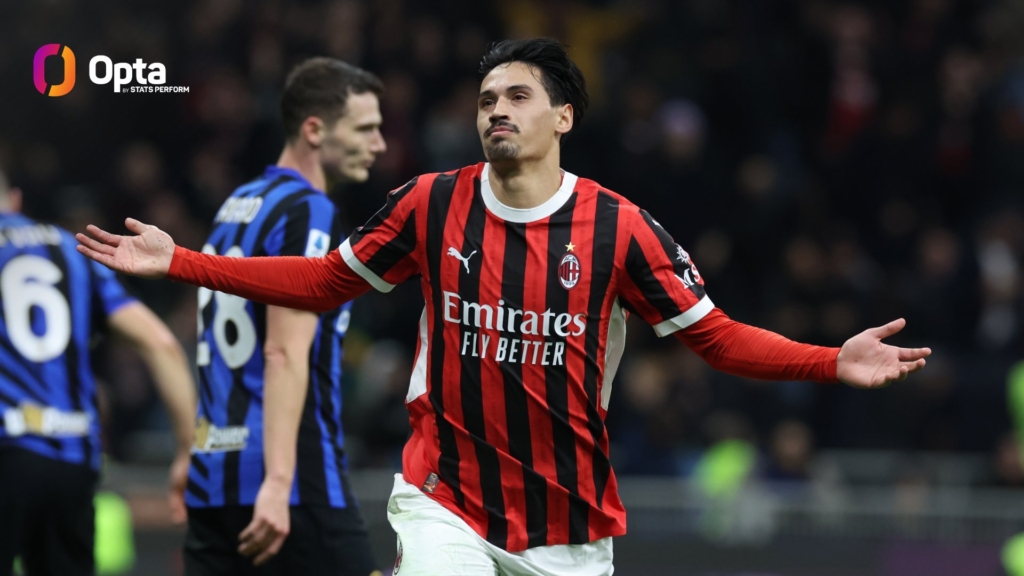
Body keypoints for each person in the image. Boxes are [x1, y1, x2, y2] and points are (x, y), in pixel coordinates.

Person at [77, 39, 931, 576]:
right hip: (444, 494)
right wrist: (182, 261)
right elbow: (325, 282)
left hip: (567, 522)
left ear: (563, 116)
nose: (496, 110)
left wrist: (831, 360)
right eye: (487, 99)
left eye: (517, 96)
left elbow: (716, 339)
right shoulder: (429, 203)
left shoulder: (622, 229)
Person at [178, 58, 385, 576]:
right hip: (290, 480)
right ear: (314, 130)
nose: (379, 144)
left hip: (214, 473)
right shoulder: (308, 209)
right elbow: (283, 349)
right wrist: (278, 481)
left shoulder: (237, 203)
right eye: (365, 128)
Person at [0, 169, 196, 576]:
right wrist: (186, 450)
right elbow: (161, 343)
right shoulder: (72, 253)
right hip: (72, 454)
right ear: (15, 199)